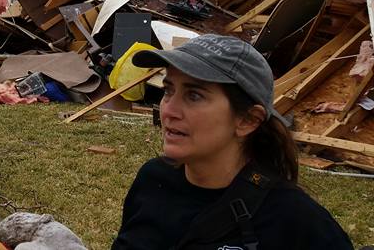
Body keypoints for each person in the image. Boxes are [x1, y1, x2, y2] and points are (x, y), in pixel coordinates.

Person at [112, 34, 352, 250]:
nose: (169, 111)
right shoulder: (153, 181)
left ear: (248, 120)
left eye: (194, 95)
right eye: (168, 90)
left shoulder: (294, 220)